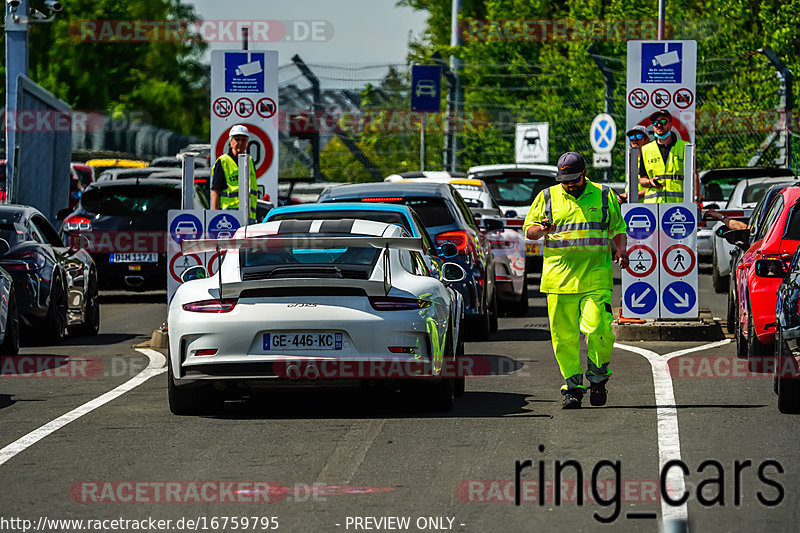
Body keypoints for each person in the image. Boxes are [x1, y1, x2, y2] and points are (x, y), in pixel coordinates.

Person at [523, 152, 629, 409]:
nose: (568, 184)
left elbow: (618, 228)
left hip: (595, 277)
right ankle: (573, 389)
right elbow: (529, 231)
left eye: (573, 179)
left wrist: (621, 250)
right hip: (559, 281)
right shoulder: (547, 196)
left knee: (599, 330)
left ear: (584, 173)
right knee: (564, 339)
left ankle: (598, 379)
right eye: (564, 179)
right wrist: (542, 229)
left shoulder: (604, 195)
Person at [638, 109, 700, 203]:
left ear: (670, 125)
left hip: (679, 203)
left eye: (663, 122)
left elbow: (694, 175)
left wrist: (696, 198)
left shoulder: (685, 147)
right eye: (655, 123)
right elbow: (642, 179)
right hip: (654, 204)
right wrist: (649, 182)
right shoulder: (646, 149)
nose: (659, 125)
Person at [211, 124, 257, 220]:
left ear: (248, 142)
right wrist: (215, 216)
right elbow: (215, 190)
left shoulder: (250, 161)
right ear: (231, 142)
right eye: (237, 139)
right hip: (229, 216)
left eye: (243, 140)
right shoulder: (223, 161)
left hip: (249, 216)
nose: (240, 143)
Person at [619, 125, 651, 202]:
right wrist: (624, 195)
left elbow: (657, 186)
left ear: (647, 140)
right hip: (632, 204)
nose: (635, 139)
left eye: (639, 136)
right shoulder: (631, 160)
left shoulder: (651, 159)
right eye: (631, 137)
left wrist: (639, 195)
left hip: (648, 203)